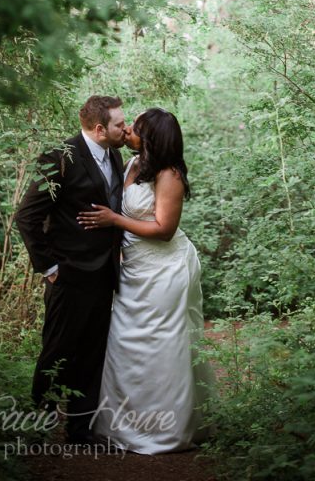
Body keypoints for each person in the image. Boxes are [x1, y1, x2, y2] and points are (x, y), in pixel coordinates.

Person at [77, 107, 214, 454]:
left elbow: (164, 231)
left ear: (150, 137)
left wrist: (114, 221)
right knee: (126, 341)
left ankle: (167, 428)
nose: (127, 132)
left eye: (134, 128)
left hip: (165, 269)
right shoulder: (134, 163)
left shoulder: (169, 175)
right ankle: (124, 423)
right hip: (134, 269)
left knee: (162, 346)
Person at [15, 95, 126, 445]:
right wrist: (48, 266)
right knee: (57, 349)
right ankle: (39, 426)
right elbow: (26, 216)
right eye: (119, 124)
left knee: (93, 353)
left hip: (104, 272)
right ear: (99, 128)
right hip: (68, 273)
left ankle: (81, 430)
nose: (126, 128)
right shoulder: (58, 157)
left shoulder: (115, 154)